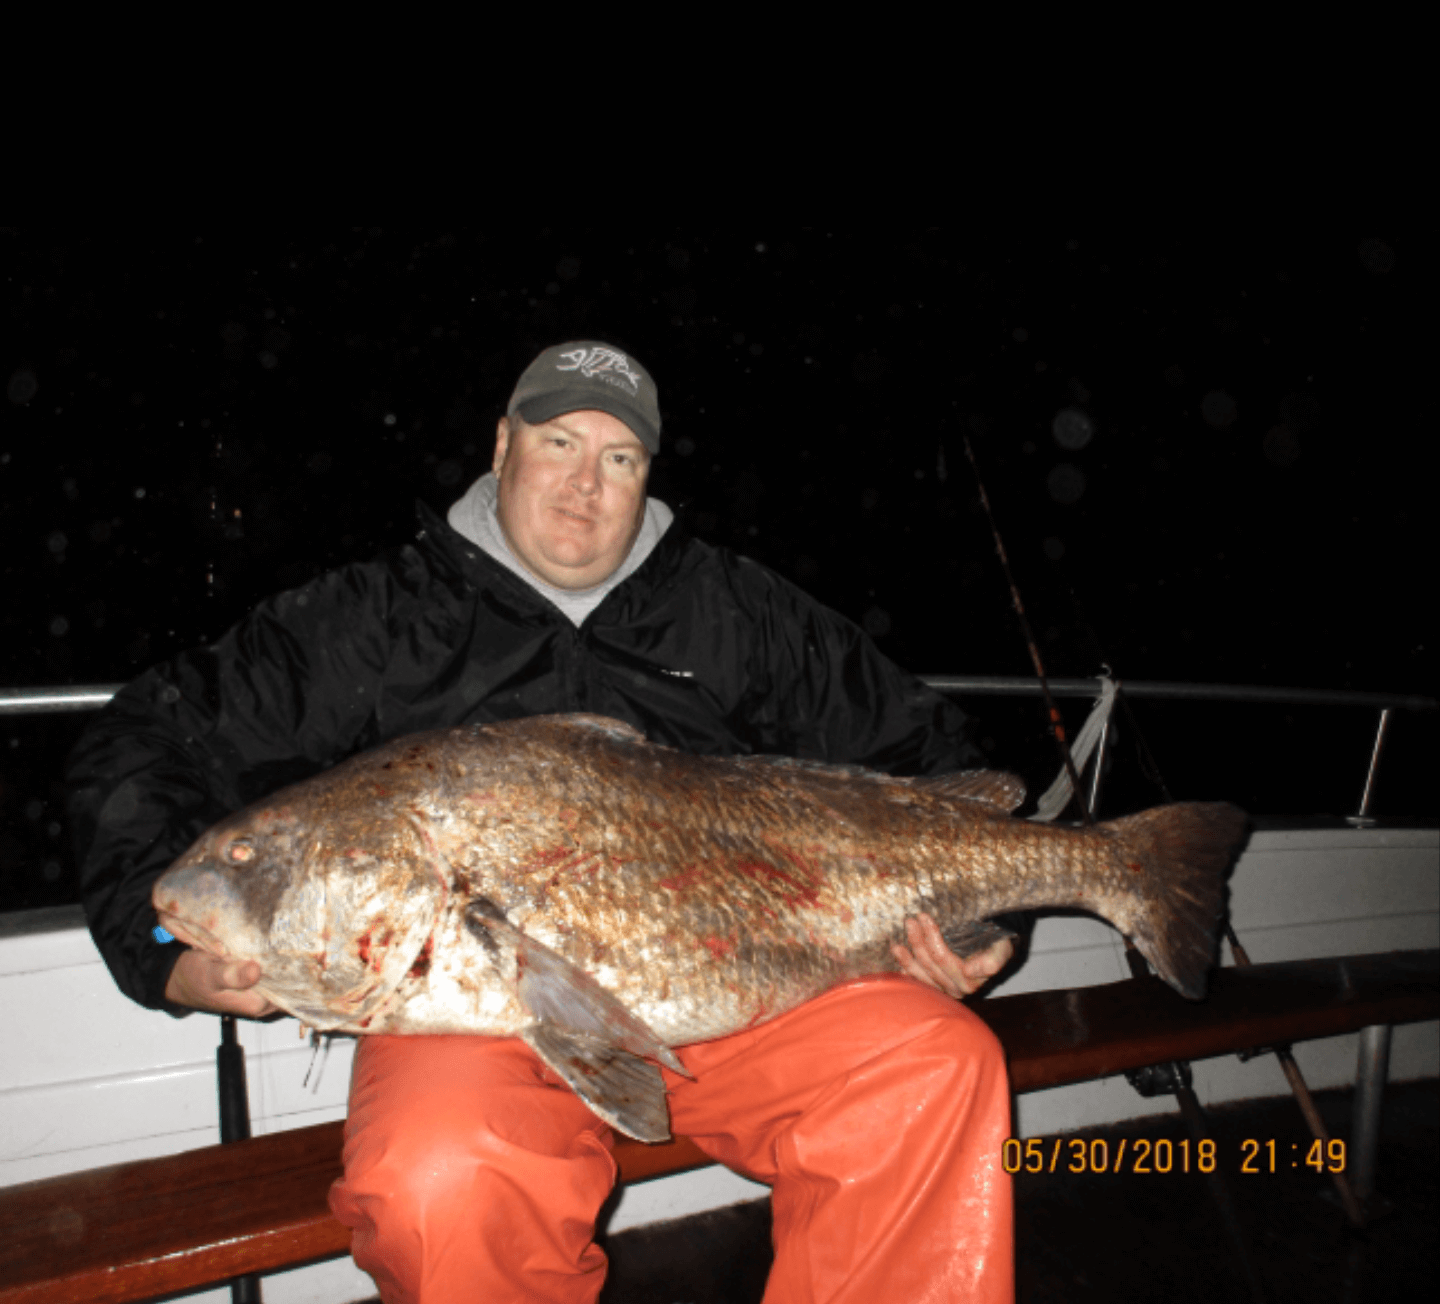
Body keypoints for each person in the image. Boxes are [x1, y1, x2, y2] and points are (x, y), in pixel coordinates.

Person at [67, 341, 1015, 1303]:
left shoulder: (739, 610)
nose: (583, 485)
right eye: (559, 441)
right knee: (440, 1184)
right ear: (501, 445)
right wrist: (162, 953)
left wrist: (988, 923)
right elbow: (142, 745)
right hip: (472, 1025)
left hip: (751, 984)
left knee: (934, 1067)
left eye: (619, 458)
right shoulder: (378, 619)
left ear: (648, 475)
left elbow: (932, 759)